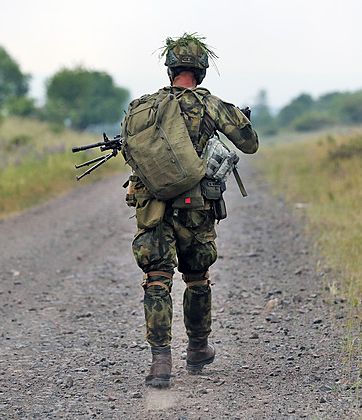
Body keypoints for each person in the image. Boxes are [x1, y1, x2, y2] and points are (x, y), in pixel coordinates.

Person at [121, 33, 259, 388]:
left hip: (153, 208)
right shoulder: (210, 105)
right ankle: (197, 348)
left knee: (156, 278)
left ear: (170, 69)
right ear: (202, 70)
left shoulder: (144, 107)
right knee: (196, 278)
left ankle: (160, 362)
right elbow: (250, 144)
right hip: (195, 208)